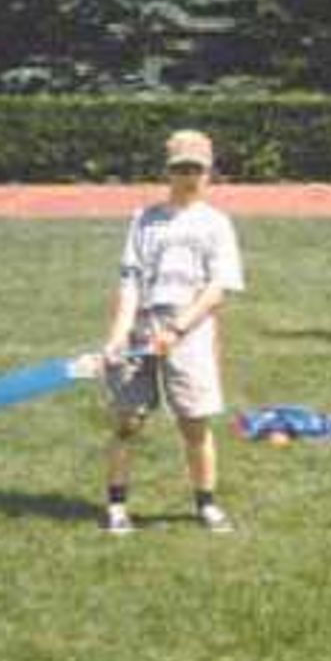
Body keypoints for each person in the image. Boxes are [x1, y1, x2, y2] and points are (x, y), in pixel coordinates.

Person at [100, 129, 245, 534]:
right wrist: (119, 334)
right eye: (181, 168)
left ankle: (206, 504)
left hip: (191, 329)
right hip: (143, 327)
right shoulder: (144, 221)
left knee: (195, 423)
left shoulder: (216, 224)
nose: (189, 177)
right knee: (127, 422)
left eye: (196, 169)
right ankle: (116, 507)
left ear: (209, 173)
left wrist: (178, 330)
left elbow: (218, 289)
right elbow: (130, 281)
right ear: (168, 172)